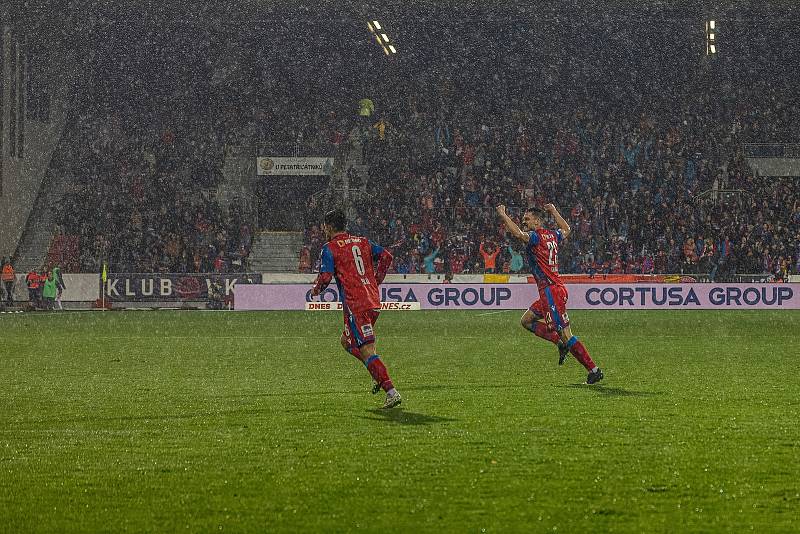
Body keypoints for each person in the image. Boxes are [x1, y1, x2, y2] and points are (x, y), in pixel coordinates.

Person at [496, 203, 604, 384]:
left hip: (551, 291)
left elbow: (518, 234)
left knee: (566, 334)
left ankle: (594, 370)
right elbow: (567, 229)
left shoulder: (536, 237)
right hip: (551, 290)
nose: (524, 221)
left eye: (527, 219)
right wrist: (554, 210)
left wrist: (503, 215)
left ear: (537, 221)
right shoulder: (553, 235)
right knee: (526, 321)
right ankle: (559, 343)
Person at [310, 209, 402, 408]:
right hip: (373, 300)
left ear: (330, 226)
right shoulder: (363, 242)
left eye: (325, 226)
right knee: (346, 341)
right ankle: (376, 373)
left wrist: (315, 290)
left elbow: (325, 277)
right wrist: (377, 280)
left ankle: (391, 391)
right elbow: (386, 256)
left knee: (366, 350)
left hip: (356, 304)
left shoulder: (330, 248)